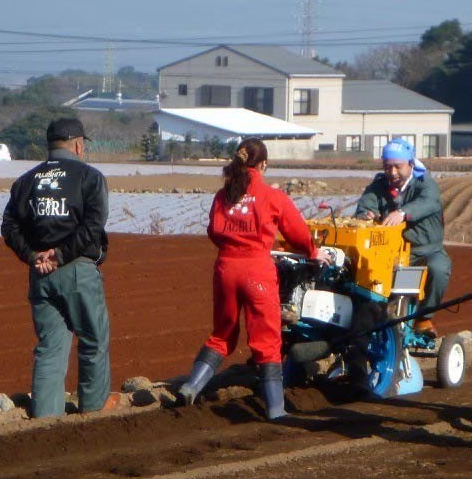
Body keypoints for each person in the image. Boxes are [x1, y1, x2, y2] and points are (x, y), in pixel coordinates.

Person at [179, 138, 330, 419]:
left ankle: (191, 386)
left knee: (223, 333)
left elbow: (213, 230)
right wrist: (313, 251)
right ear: (263, 165)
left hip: (225, 269)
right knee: (266, 339)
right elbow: (297, 233)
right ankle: (275, 410)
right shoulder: (272, 196)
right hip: (257, 270)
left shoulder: (224, 194)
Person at [1, 118, 115, 418]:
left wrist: (33, 255)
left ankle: (45, 419)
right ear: (78, 144)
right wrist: (61, 255)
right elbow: (92, 227)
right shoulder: (89, 177)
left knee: (50, 346)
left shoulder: (26, 181)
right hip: (77, 270)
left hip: (39, 276)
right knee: (93, 339)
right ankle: (93, 409)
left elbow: (9, 226)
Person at [354, 137, 450, 337]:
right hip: (390, 251)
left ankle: (424, 318)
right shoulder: (379, 185)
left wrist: (403, 213)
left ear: (410, 164)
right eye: (388, 167)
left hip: (424, 250)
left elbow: (428, 203)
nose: (393, 172)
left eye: (398, 167)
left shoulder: (425, 183)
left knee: (439, 269)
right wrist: (367, 214)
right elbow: (366, 204)